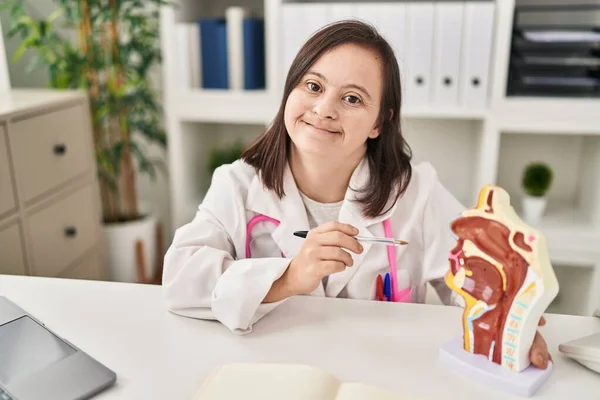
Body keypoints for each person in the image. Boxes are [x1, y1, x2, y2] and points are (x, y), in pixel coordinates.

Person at [162, 20, 551, 368]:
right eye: (312, 86)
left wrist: (508, 317)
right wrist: (288, 278)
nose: (324, 108)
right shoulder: (238, 184)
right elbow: (179, 281)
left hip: (381, 374)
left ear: (380, 122)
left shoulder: (417, 191)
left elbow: (472, 278)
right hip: (272, 373)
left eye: (352, 99)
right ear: (289, 93)